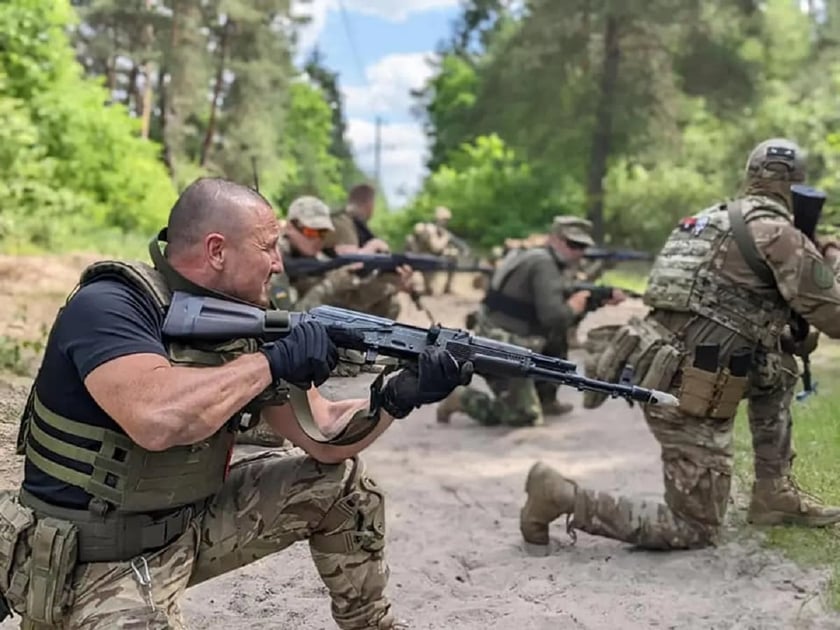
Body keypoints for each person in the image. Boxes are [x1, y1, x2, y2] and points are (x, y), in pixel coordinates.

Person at [2, 178, 464, 629]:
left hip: (186, 526)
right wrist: (271, 362)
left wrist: (395, 396)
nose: (280, 265)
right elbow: (156, 418)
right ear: (217, 250)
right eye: (268, 247)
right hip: (96, 558)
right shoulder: (111, 305)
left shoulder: (240, 317)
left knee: (340, 485)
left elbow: (323, 436)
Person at [520, 138, 840, 553]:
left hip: (664, 363)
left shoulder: (709, 220)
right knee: (693, 529)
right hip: (690, 389)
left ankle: (773, 493)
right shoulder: (780, 235)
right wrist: (830, 260)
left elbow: (728, 307)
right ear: (797, 188)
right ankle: (560, 497)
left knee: (777, 367)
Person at [436, 216, 625, 427]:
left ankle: (545, 399)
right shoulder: (544, 264)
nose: (578, 252)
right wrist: (576, 305)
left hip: (508, 337)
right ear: (554, 239)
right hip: (500, 345)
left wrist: (593, 301)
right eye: (573, 245)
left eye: (582, 247)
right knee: (524, 417)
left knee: (556, 338)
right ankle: (462, 398)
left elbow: (556, 312)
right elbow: (554, 316)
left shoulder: (542, 258)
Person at [323, 184, 413, 320]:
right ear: (369, 204)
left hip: (341, 288)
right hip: (335, 292)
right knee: (390, 302)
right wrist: (370, 251)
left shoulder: (353, 224)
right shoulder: (343, 223)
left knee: (391, 301)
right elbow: (351, 267)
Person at [404, 206, 468, 295]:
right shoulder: (430, 229)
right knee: (427, 290)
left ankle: (448, 287)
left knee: (453, 255)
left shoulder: (439, 231)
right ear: (439, 219)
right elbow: (436, 248)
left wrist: (458, 248)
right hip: (422, 260)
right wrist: (445, 238)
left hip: (428, 259)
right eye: (445, 220)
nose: (446, 223)